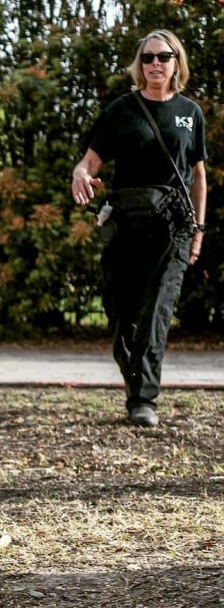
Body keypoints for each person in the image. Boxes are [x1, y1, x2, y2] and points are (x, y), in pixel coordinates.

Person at [72, 29, 207, 427]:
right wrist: (81, 174)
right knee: (121, 313)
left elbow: (199, 177)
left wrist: (199, 229)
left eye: (163, 57)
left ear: (176, 62)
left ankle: (143, 399)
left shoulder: (190, 112)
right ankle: (138, 389)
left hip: (173, 226)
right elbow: (90, 161)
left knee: (156, 310)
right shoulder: (122, 109)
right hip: (126, 223)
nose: (155, 64)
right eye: (147, 58)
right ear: (139, 64)